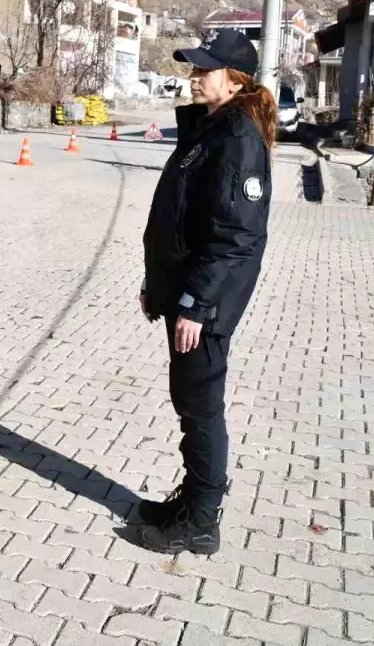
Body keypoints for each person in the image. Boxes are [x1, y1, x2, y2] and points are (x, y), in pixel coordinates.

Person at [137, 28, 275, 554]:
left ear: (234, 78)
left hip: (207, 305)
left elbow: (236, 236)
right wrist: (160, 284)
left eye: (204, 70)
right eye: (194, 68)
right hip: (187, 295)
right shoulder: (211, 127)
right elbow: (183, 220)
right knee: (189, 399)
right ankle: (192, 497)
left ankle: (201, 518)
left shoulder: (237, 137)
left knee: (200, 404)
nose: (194, 77)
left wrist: (195, 302)